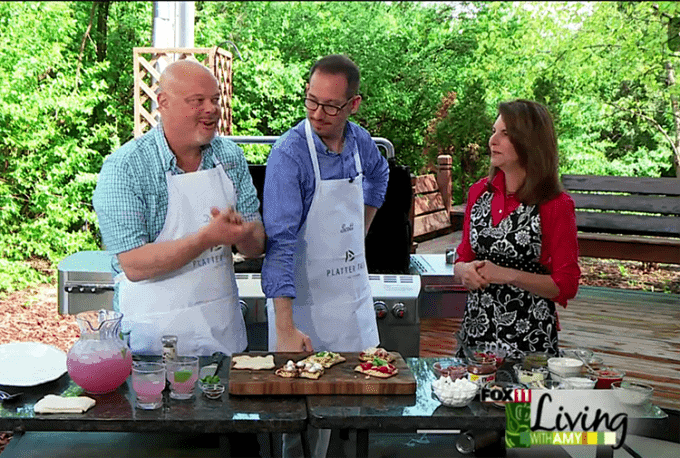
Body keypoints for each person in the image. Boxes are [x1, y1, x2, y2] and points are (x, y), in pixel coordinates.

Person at [92, 59, 265, 357]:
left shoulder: (230, 156)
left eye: (214, 100)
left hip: (222, 338)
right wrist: (205, 239)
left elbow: (256, 245)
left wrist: (242, 234)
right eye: (197, 101)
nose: (211, 109)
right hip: (150, 348)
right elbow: (134, 264)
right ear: (163, 103)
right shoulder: (126, 167)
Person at [261, 54, 389, 457]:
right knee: (297, 424)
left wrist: (361, 228)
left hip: (352, 304)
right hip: (304, 312)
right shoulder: (289, 154)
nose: (318, 113)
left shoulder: (361, 142)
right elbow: (279, 245)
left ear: (354, 104)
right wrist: (285, 325)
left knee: (357, 413)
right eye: (311, 101)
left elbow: (380, 175)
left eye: (331, 106)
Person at [454, 99, 580, 360]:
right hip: (476, 334)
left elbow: (566, 285)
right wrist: (464, 271)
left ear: (529, 142)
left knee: (519, 402)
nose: (492, 140)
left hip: (529, 340)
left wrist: (508, 275)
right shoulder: (479, 193)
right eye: (493, 131)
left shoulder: (556, 205)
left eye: (505, 134)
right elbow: (463, 257)